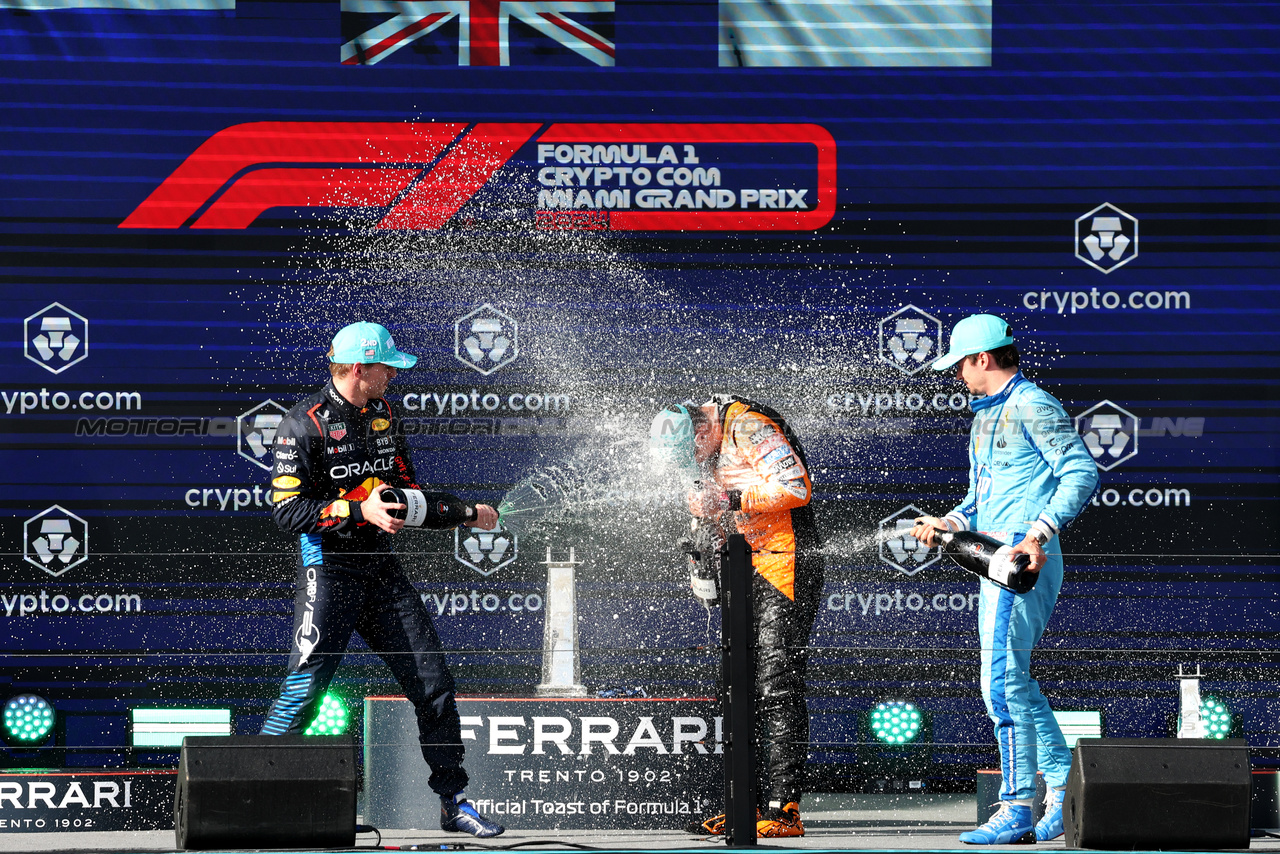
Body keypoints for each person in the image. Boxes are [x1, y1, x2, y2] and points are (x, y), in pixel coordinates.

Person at [261, 321, 505, 838]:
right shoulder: (301, 425)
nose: (393, 374)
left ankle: (453, 802)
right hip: (328, 569)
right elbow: (287, 512)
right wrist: (358, 511)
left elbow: (405, 494)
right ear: (357, 368)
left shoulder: (383, 414)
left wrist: (463, 512)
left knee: (434, 684)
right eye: (386, 366)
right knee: (305, 690)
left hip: (380, 570)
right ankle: (255, 797)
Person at [909, 314, 1098, 845]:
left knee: (1000, 684)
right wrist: (949, 522)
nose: (958, 377)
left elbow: (1081, 471)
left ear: (982, 359)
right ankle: (1061, 794)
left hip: (1021, 564)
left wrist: (1037, 534)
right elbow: (979, 501)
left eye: (960, 366)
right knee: (1014, 682)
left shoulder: (1033, 405)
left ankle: (1016, 806)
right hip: (995, 559)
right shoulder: (984, 417)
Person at [650, 395, 823, 839]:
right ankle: (746, 805)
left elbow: (796, 488)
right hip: (747, 563)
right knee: (738, 683)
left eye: (693, 453)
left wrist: (726, 498)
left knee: (774, 682)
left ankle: (783, 808)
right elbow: (712, 504)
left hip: (786, 561)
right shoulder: (704, 435)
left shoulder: (748, 426)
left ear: (701, 431)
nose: (694, 462)